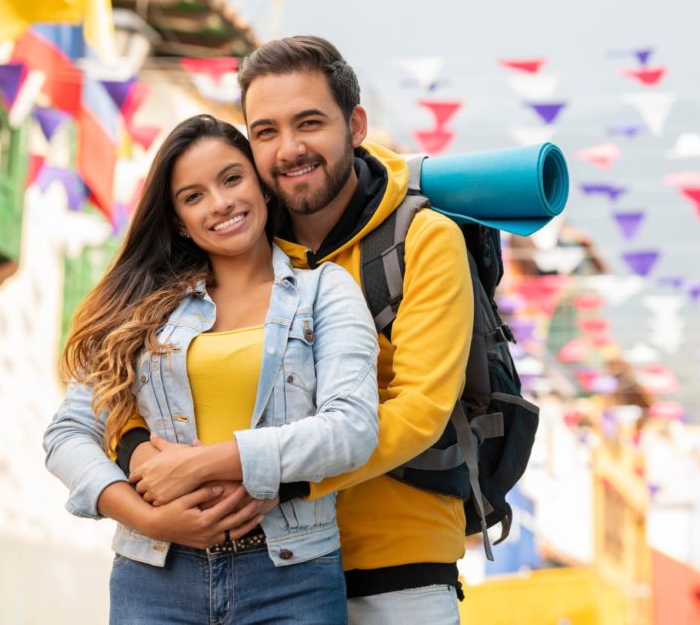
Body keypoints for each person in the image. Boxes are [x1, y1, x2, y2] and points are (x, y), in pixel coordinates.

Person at [118, 36, 475, 624]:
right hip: (249, 565)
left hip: (394, 568)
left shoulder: (423, 240)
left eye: (309, 123)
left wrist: (270, 480)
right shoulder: (235, 238)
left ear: (354, 126)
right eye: (266, 132)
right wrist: (144, 458)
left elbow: (419, 409)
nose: (289, 149)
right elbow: (129, 380)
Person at [43, 114, 380, 624]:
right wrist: (151, 520)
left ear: (262, 186)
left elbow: (351, 429)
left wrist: (201, 465)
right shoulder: (141, 308)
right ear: (179, 219)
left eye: (231, 178)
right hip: (154, 578)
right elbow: (68, 433)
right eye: (193, 196)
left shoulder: (324, 291)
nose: (220, 203)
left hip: (292, 577)